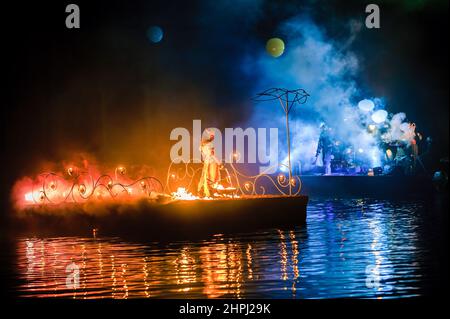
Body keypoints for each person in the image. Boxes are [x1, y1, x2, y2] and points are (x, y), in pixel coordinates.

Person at [197, 129, 221, 197]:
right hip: (212, 162)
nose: (213, 137)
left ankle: (200, 191)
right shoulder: (210, 144)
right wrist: (218, 162)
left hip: (206, 162)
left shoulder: (201, 145)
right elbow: (212, 155)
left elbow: (204, 154)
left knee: (204, 176)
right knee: (212, 177)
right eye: (212, 135)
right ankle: (209, 193)